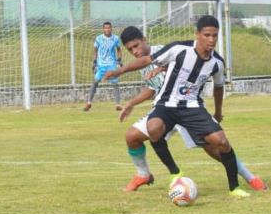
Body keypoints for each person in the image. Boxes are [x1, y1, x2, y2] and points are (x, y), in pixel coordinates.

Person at [105, 15, 251, 198]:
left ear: (144, 40)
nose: (211, 40)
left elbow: (217, 85)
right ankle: (160, 174)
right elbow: (152, 86)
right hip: (166, 105)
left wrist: (218, 112)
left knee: (218, 142)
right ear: (198, 34)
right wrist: (131, 102)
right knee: (140, 133)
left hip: (191, 106)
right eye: (207, 35)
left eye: (214, 36)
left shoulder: (210, 60)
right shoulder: (163, 54)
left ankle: (244, 181)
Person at [84, 22, 123, 111]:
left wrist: (119, 60)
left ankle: (118, 104)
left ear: (111, 28)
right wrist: (94, 62)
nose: (107, 29)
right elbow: (95, 50)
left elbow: (119, 50)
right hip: (101, 65)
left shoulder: (116, 38)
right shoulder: (99, 39)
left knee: (115, 84)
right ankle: (89, 103)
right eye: (105, 28)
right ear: (103, 29)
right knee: (95, 82)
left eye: (109, 28)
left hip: (111, 65)